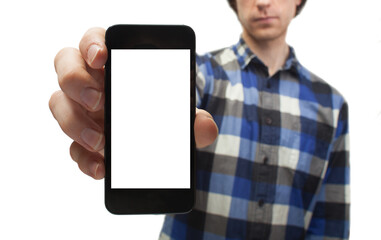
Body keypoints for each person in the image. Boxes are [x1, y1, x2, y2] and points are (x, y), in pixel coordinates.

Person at [49, 0, 350, 239]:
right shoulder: (198, 74)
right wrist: (121, 104)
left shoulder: (331, 105)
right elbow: (173, 106)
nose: (262, 2)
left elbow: (330, 223)